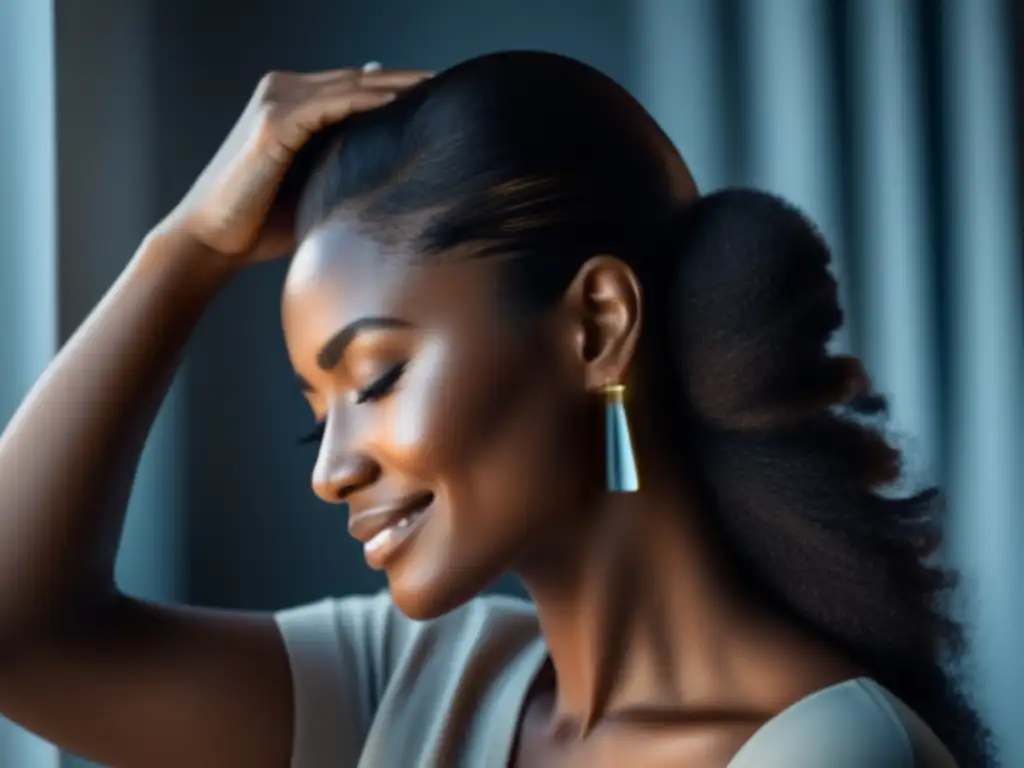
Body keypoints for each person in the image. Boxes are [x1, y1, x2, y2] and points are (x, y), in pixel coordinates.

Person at [0, 51, 994, 768]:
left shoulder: (822, 754)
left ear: (597, 326)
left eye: (378, 378)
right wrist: (185, 250)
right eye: (318, 413)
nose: (329, 469)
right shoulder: (410, 682)